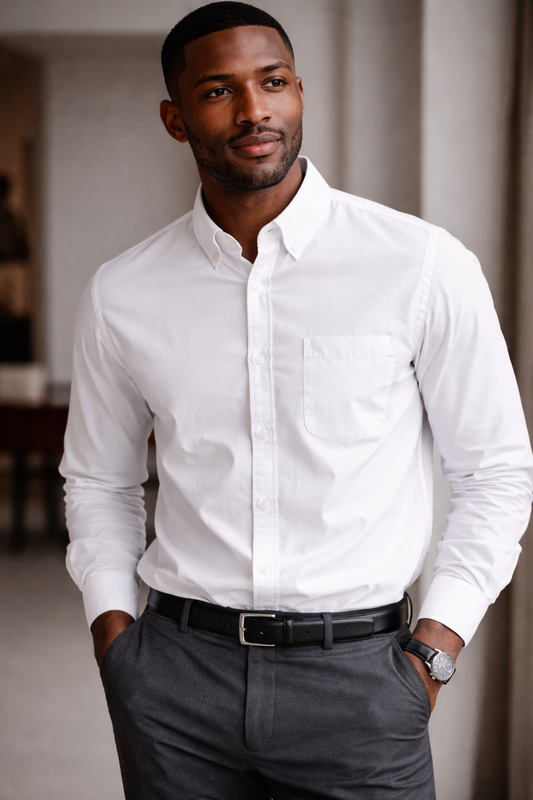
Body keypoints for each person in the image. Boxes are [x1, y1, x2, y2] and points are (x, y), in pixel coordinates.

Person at [60, 3, 533, 798]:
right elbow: (100, 480)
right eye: (219, 91)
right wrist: (116, 640)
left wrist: (432, 652)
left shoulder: (420, 266)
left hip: (362, 682)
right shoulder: (123, 293)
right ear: (175, 120)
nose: (253, 110)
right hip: (176, 680)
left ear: (299, 92)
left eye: (272, 82)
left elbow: (494, 473)